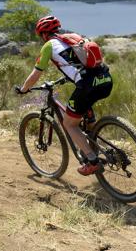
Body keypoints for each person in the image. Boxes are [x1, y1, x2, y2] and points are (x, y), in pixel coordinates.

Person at [16, 16, 113, 176]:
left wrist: (24, 89)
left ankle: (92, 160)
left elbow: (36, 74)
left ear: (44, 34)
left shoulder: (48, 46)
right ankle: (99, 146)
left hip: (87, 84)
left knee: (70, 124)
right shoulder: (73, 38)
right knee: (86, 114)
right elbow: (81, 63)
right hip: (105, 79)